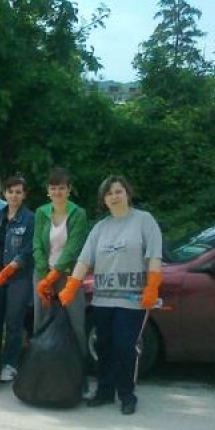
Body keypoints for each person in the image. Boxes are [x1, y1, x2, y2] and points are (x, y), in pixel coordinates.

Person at [58, 175, 163, 415]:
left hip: (133, 299)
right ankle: (104, 391)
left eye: (118, 191)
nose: (114, 196)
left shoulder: (144, 221)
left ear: (127, 193)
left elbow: (154, 255)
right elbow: (85, 259)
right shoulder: (100, 227)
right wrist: (71, 286)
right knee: (103, 345)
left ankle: (126, 394)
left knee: (124, 346)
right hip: (103, 298)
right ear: (103, 200)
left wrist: (152, 286)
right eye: (109, 193)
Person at [32, 167, 89, 351]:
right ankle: (41, 364)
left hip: (69, 275)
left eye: (61, 188)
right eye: (53, 188)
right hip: (42, 274)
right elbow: (37, 245)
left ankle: (78, 365)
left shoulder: (78, 214)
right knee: (41, 320)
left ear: (69, 189)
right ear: (48, 190)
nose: (57, 192)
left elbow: (73, 248)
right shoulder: (41, 212)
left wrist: (53, 276)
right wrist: (43, 276)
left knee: (75, 320)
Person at [0, 175, 35, 382]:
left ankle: (10, 363)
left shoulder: (30, 218)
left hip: (18, 278)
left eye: (18, 192)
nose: (14, 195)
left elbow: (29, 249)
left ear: (24, 195)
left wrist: (11, 268)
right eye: (10, 191)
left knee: (13, 322)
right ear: (5, 194)